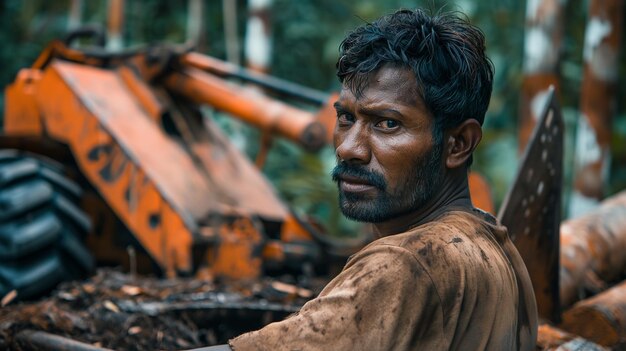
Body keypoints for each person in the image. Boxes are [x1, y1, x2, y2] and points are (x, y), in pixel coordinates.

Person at [207, 8, 538, 351]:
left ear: (458, 144)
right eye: (347, 117)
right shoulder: (495, 247)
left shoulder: (407, 263)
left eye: (387, 123)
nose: (349, 149)